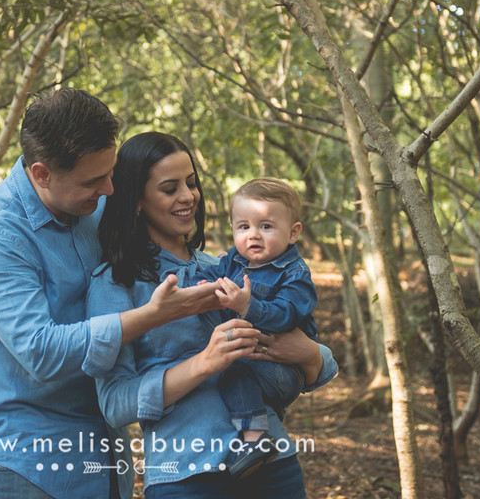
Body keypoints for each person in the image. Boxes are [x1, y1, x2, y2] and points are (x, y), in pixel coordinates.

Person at [0, 88, 220, 499]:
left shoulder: (93, 206)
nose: (110, 189)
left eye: (111, 172)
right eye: (94, 180)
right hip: (26, 466)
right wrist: (151, 315)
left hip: (105, 460)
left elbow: (163, 253)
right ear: (41, 174)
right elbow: (41, 351)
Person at [87, 132, 338, 498]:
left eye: (191, 183)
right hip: (187, 476)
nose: (188, 196)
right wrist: (204, 363)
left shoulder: (230, 266)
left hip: (274, 465)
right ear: (137, 200)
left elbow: (317, 362)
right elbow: (114, 404)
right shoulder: (115, 282)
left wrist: (312, 355)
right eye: (170, 188)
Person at [194, 177, 322, 478]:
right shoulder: (235, 260)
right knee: (231, 366)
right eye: (243, 226)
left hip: (286, 371)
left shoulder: (295, 272)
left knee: (233, 369)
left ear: (293, 233)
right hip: (259, 362)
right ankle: (258, 428)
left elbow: (286, 316)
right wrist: (203, 286)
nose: (253, 235)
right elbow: (215, 274)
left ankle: (255, 440)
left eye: (266, 226)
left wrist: (245, 306)